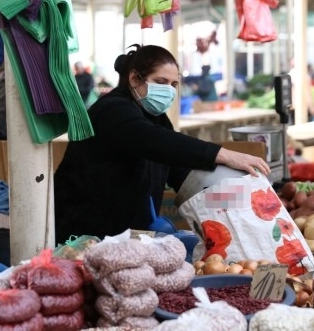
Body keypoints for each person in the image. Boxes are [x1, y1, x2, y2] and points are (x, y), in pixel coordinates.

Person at [53, 44, 270, 241]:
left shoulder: (155, 117)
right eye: (161, 82)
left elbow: (181, 169)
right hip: (83, 236)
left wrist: (238, 199)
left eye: (174, 84)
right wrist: (225, 154)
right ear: (134, 79)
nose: (169, 90)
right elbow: (156, 142)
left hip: (126, 239)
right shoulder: (112, 111)